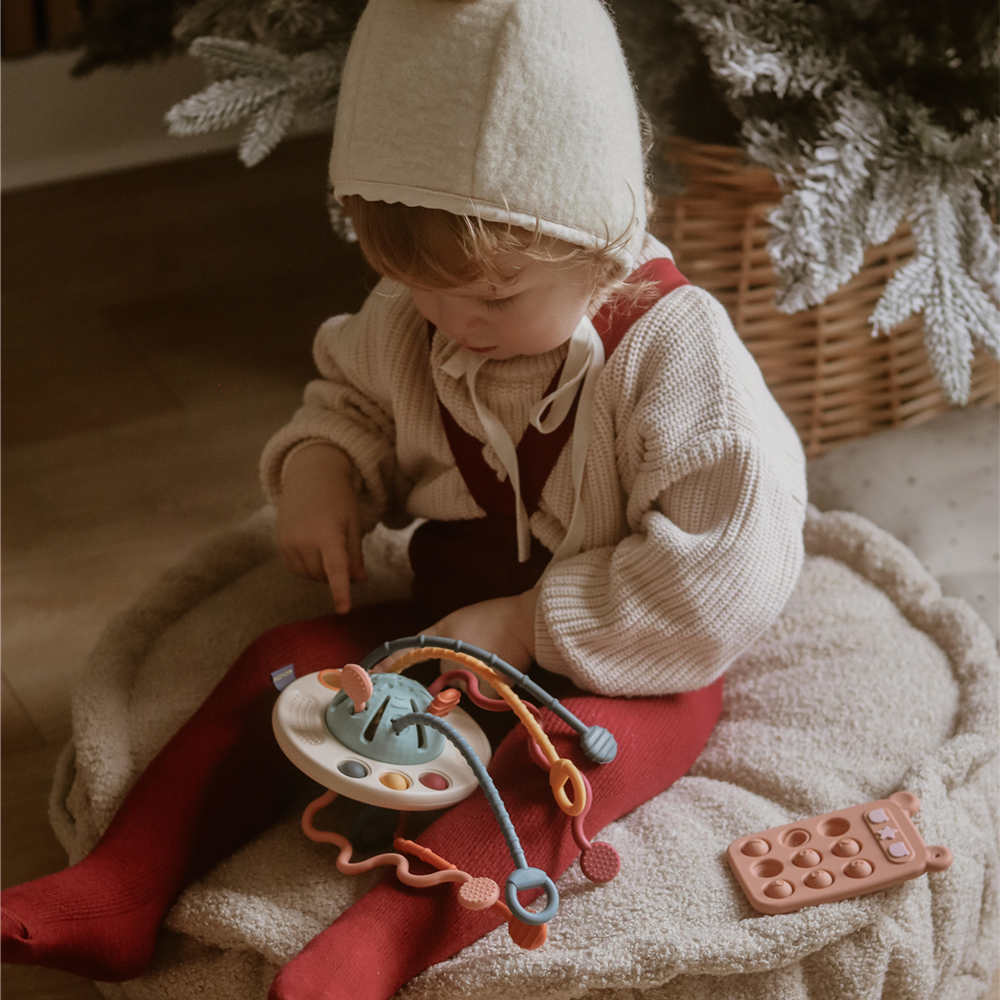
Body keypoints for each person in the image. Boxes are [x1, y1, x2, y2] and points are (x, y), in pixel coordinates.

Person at [1, 1, 807, 998]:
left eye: (496, 298)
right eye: (416, 286)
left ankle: (393, 929)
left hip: (630, 652)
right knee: (278, 667)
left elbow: (725, 572)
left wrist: (524, 624)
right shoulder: (420, 316)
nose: (453, 323)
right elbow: (346, 403)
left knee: (564, 767)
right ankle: (123, 881)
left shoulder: (677, 357)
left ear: (600, 239)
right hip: (450, 622)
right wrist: (319, 471)